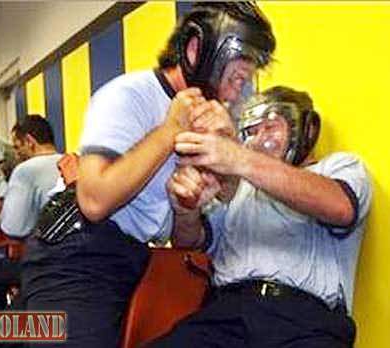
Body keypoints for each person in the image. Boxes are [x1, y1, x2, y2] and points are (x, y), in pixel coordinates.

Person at [22, 2, 276, 347]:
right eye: (235, 79)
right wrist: (169, 130)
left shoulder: (208, 121)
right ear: (195, 50)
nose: (233, 94)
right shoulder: (129, 95)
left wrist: (192, 202)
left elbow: (186, 239)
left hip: (131, 256)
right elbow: (94, 201)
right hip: (78, 247)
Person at [151, 86, 372, 348]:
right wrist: (185, 210)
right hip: (227, 314)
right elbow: (189, 242)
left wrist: (240, 159)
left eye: (270, 127)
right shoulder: (238, 188)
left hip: (306, 323)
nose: (258, 140)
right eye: (251, 132)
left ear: (307, 129)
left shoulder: (339, 168)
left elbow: (340, 208)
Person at [0, 115, 62, 312]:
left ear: (30, 141)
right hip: (75, 263)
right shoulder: (72, 162)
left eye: (18, 146)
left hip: (44, 265)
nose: (17, 153)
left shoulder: (25, 170)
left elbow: (13, 228)